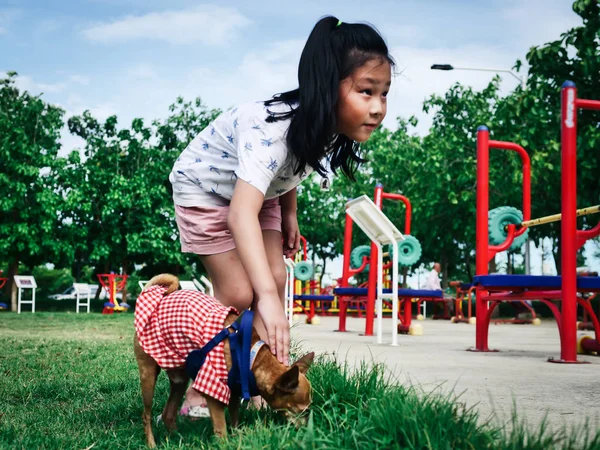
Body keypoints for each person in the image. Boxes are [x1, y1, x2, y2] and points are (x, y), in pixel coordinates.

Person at [169, 16, 394, 417]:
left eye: (383, 94)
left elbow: (291, 168)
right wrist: (268, 302)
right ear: (328, 86)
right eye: (366, 91)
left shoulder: (323, 126)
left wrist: (290, 214)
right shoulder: (271, 131)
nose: (377, 108)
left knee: (275, 277)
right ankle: (201, 389)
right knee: (240, 294)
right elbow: (241, 214)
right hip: (205, 192)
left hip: (258, 195)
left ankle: (254, 377)